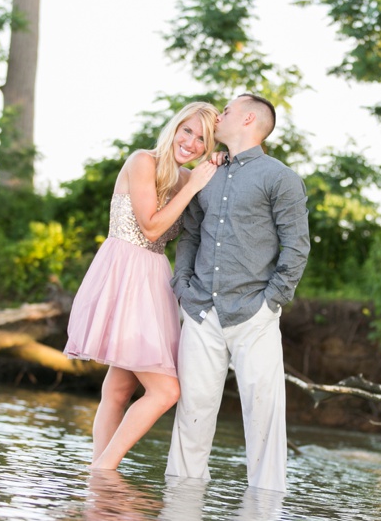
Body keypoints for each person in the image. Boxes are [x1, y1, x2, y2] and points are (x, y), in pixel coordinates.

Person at [165, 94, 310, 492]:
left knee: (264, 421)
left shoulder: (280, 178)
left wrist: (272, 302)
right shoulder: (206, 173)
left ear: (248, 119)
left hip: (255, 315)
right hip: (201, 312)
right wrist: (183, 287)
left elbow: (296, 246)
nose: (218, 116)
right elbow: (190, 234)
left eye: (225, 111)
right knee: (191, 417)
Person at [64, 102, 220, 470]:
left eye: (203, 139)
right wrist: (195, 183)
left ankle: (97, 478)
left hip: (155, 280)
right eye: (187, 131)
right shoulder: (142, 161)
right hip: (125, 272)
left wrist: (204, 177)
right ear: (174, 127)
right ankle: (104, 468)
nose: (192, 142)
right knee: (166, 390)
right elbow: (150, 227)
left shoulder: (188, 179)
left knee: (119, 389)